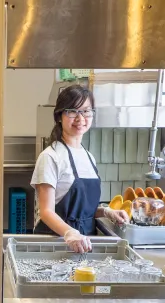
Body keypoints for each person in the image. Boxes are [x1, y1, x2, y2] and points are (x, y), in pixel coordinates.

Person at [31, 85, 129, 253]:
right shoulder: (50, 157)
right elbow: (46, 211)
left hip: (84, 246)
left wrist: (105, 212)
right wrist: (69, 232)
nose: (80, 118)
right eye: (72, 111)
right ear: (59, 116)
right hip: (55, 246)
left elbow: (81, 212)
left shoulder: (89, 157)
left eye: (86, 111)